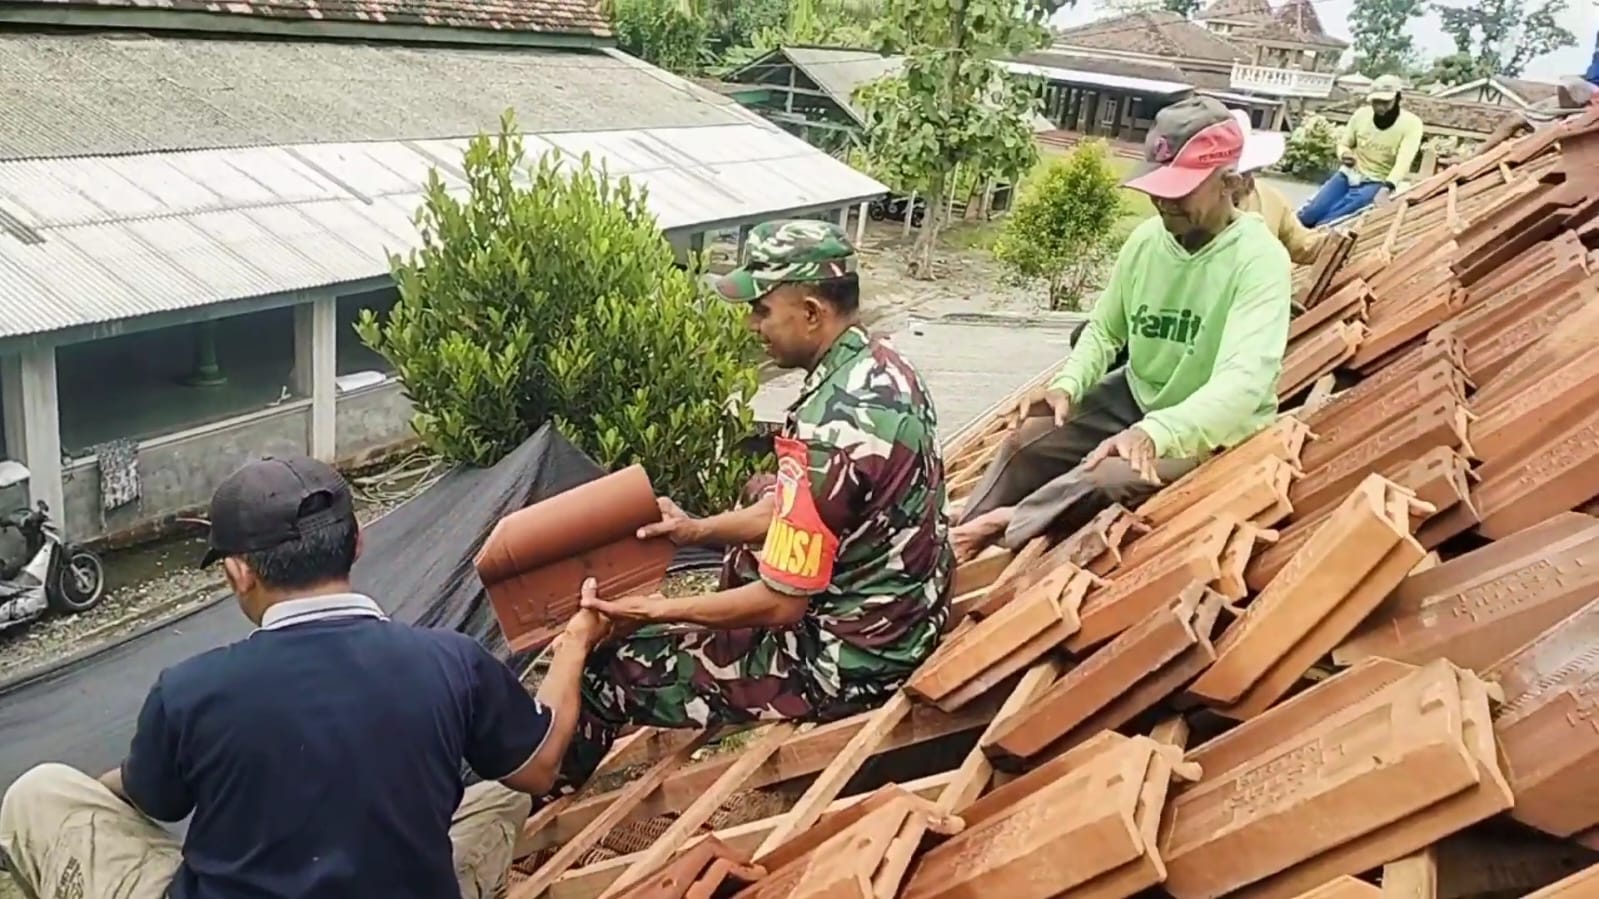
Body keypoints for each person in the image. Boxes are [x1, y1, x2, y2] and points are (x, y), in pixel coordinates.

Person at [0, 456, 604, 899]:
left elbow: (147, 796)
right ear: (359, 544)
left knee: (39, 790)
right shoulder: (452, 660)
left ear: (239, 572)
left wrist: (111, 782)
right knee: (504, 786)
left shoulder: (190, 691)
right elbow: (542, 761)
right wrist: (575, 639)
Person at [560, 220, 952, 795]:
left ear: (812, 312)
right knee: (741, 553)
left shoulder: (832, 426)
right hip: (905, 616)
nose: (753, 325)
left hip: (852, 659)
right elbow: (802, 510)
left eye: (763, 309)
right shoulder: (881, 367)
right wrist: (699, 529)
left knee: (612, 668)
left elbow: (778, 606)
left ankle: (529, 811)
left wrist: (650, 612)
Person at [951, 96, 1292, 561]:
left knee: (1108, 477)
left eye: (1181, 189)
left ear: (1229, 182)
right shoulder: (1147, 242)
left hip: (1206, 426)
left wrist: (1156, 432)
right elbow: (1105, 331)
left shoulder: (1258, 259)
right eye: (1159, 187)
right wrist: (1067, 385)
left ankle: (1009, 523)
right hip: (1136, 395)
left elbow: (1243, 383)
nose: (1163, 201)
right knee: (1026, 439)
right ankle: (954, 541)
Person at [1297, 75, 1424, 228]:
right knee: (1309, 215)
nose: (1380, 108)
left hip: (1376, 181)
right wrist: (1344, 154)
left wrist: (1388, 187)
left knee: (1331, 221)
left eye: (1385, 103)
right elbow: (1344, 144)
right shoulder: (1361, 115)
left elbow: (1404, 160)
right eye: (1376, 102)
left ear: (1397, 98)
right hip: (1350, 174)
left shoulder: (1411, 124)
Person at [1230, 110, 1326, 266]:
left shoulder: (1270, 199)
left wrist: (1335, 242)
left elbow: (1301, 243)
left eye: (1243, 174)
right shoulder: (1193, 209)